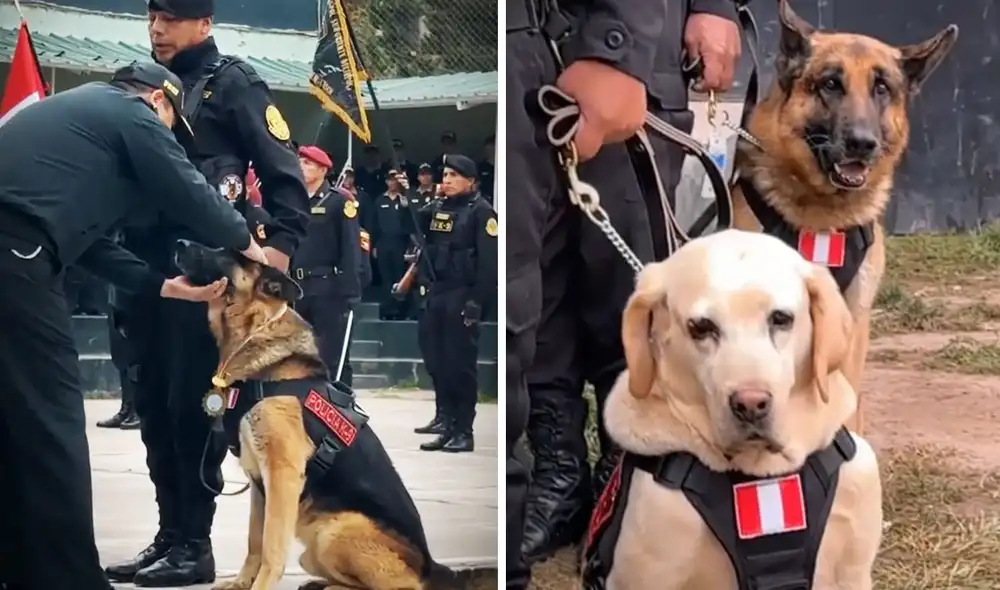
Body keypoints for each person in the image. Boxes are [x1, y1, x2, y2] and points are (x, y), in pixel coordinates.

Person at [0, 60, 266, 590]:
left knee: (13, 421)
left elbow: (92, 245)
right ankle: (65, 579)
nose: (169, 138)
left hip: (18, 245)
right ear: (159, 101)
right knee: (50, 420)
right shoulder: (129, 110)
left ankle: (18, 566)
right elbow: (190, 190)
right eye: (172, 128)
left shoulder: (73, 127)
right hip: (15, 253)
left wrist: (163, 285)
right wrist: (248, 247)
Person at [506, 0, 742, 585]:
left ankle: (634, 477)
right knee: (537, 287)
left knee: (628, 286)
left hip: (629, 36)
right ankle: (561, 477)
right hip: (526, 47)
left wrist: (623, 42)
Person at [105, 1, 310, 586]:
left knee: (190, 409)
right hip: (143, 272)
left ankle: (194, 544)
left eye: (170, 17)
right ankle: (169, 536)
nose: (156, 28)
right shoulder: (145, 86)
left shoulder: (235, 84)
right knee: (151, 415)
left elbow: (283, 173)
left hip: (206, 280)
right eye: (151, 16)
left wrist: (278, 256)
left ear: (205, 23)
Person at [407, 155, 497, 453]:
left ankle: (463, 430)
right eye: (444, 174)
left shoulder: (482, 213)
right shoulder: (440, 208)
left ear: (471, 180)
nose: (446, 179)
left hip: (463, 293)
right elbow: (417, 224)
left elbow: (489, 265)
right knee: (437, 360)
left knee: (460, 366)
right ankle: (445, 421)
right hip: (437, 292)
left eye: (454, 175)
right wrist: (413, 194)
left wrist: (477, 303)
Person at [292, 145, 363, 386]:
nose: (301, 167)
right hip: (297, 287)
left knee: (331, 357)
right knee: (299, 355)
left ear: (323, 170)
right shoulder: (293, 201)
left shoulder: (338, 202)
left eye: (308, 163)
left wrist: (350, 291)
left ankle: (340, 409)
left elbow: (351, 249)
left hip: (327, 288)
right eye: (300, 162)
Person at [372, 170, 412, 320]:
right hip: (383, 243)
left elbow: (410, 224)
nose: (392, 182)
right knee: (386, 278)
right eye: (389, 179)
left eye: (395, 180)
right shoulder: (379, 201)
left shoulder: (404, 201)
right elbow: (373, 225)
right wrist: (374, 245)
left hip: (400, 244)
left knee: (400, 277)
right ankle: (388, 311)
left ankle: (401, 311)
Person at [478, 135, 495, 204]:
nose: (490, 149)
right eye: (488, 146)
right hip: (486, 201)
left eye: (492, 145)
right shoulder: (481, 167)